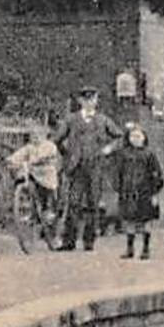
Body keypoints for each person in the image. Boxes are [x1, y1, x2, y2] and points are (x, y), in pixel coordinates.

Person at [54, 87, 122, 251]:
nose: (90, 102)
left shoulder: (103, 120)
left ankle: (89, 241)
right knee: (73, 203)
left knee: (93, 203)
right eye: (86, 99)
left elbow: (120, 137)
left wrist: (108, 149)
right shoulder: (71, 120)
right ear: (80, 101)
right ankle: (68, 241)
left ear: (96, 101)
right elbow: (57, 139)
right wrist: (67, 156)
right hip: (76, 168)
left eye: (93, 99)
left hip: (96, 167)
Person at [114, 124, 164, 260]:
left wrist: (155, 192)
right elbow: (118, 172)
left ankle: (145, 249)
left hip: (145, 192)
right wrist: (118, 188)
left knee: (146, 220)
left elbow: (157, 174)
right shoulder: (124, 154)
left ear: (144, 138)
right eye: (132, 136)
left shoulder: (149, 154)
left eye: (138, 136)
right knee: (129, 220)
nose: (135, 139)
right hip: (128, 192)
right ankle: (129, 249)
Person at [7, 128, 61, 244]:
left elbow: (48, 153)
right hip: (33, 172)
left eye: (38, 135)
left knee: (48, 188)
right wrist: (12, 159)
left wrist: (39, 158)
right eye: (33, 135)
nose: (35, 137)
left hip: (46, 172)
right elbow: (20, 154)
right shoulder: (29, 147)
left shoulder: (49, 145)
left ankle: (48, 210)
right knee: (22, 178)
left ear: (44, 136)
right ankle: (26, 203)